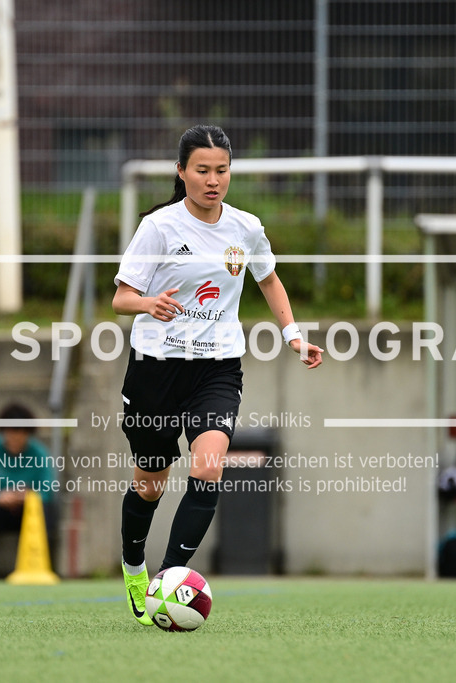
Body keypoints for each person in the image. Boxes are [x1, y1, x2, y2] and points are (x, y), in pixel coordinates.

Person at [112, 124, 323, 625]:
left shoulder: (245, 228)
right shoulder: (159, 227)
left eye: (222, 170)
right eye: (202, 170)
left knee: (208, 467)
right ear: (181, 172)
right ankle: (134, 565)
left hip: (218, 368)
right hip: (155, 371)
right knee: (151, 483)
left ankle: (168, 580)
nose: (213, 180)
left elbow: (269, 280)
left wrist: (294, 335)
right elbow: (120, 298)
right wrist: (149, 302)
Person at [0, 402, 60, 580]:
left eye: (21, 433)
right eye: (11, 432)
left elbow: (48, 488)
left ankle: (44, 562)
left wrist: (28, 495)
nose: (16, 438)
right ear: (3, 431)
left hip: (29, 514)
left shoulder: (39, 453)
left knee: (46, 508)